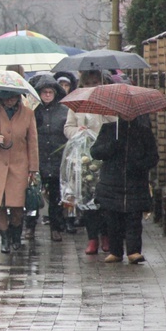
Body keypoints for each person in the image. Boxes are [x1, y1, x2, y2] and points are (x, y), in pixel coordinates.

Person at [0, 90, 39, 254]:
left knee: (18, 206)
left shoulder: (28, 113)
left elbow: (32, 142)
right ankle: (4, 237)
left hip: (19, 166)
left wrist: (33, 168)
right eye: (7, 97)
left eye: (14, 97)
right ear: (1, 98)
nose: (11, 100)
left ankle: (15, 235)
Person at [91, 116, 158, 264]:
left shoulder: (143, 132)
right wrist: (110, 147)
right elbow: (95, 152)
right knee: (112, 219)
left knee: (134, 218)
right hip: (111, 182)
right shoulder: (109, 129)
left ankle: (134, 251)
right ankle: (116, 251)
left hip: (135, 183)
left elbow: (153, 157)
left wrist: (139, 165)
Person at [64, 70, 117, 255]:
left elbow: (116, 124)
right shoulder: (76, 104)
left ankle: (106, 236)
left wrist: (105, 115)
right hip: (84, 158)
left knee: (104, 200)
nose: (91, 86)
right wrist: (78, 131)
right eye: (88, 83)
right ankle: (92, 238)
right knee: (87, 200)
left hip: (104, 157)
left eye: (95, 82)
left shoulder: (108, 101)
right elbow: (67, 128)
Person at [30, 75, 69, 242]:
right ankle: (30, 226)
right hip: (37, 158)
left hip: (57, 158)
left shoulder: (64, 110)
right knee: (32, 195)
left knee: (56, 197)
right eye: (44, 92)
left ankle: (56, 227)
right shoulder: (32, 110)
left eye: (50, 92)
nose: (47, 95)